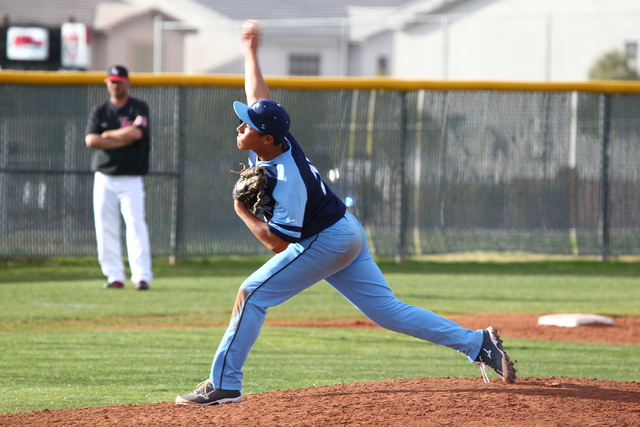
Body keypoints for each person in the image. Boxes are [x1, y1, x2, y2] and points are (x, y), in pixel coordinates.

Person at [175, 22, 516, 406]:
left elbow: (276, 243)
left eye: (247, 126)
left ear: (266, 138)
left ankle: (224, 383)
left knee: (251, 294)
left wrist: (240, 209)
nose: (240, 127)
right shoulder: (274, 144)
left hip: (325, 242)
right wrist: (249, 52)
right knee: (387, 312)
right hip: (345, 230)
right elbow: (258, 96)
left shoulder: (288, 179)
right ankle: (477, 343)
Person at [85, 65, 153, 291]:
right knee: (105, 227)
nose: (116, 84)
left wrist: (109, 135)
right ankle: (115, 276)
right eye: (112, 80)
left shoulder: (138, 107)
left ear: (127, 82)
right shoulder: (100, 110)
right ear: (107, 82)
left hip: (131, 178)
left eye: (120, 80)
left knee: (135, 225)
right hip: (104, 176)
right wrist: (123, 139)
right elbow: (91, 140)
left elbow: (137, 132)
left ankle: (141, 276)